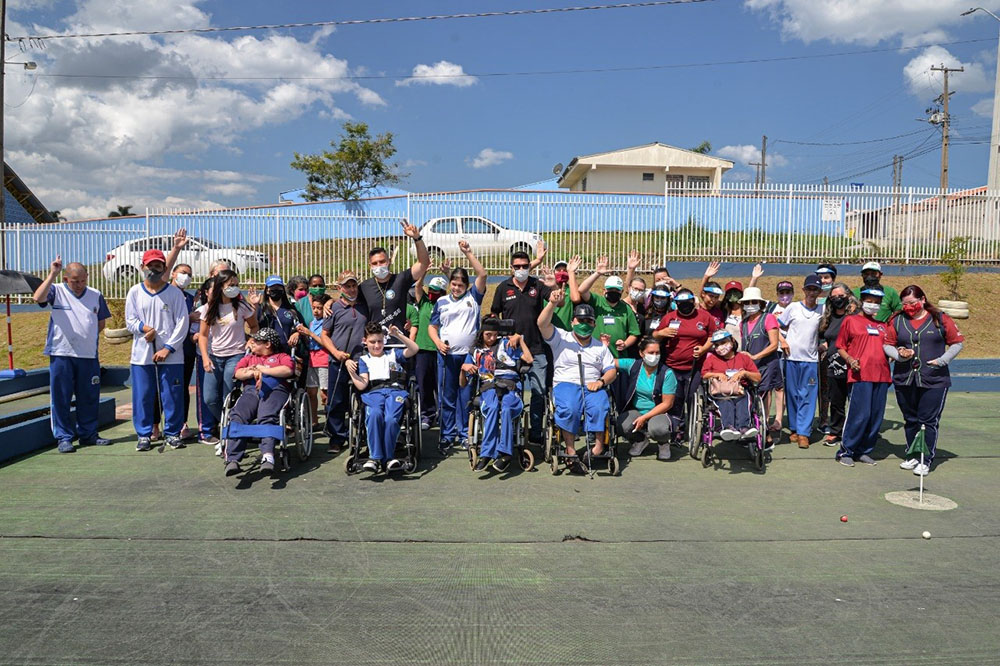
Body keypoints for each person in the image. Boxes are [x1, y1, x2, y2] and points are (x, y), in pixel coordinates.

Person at [33, 256, 112, 452]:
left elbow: (101, 322)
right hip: (61, 353)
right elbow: (37, 298)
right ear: (67, 279)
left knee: (89, 396)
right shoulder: (56, 290)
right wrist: (53, 273)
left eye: (83, 280)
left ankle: (88, 434)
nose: (79, 285)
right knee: (61, 396)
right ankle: (64, 438)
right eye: (75, 281)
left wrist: (86, 336)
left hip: (88, 355)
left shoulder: (95, 294)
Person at [890, 285, 965, 476]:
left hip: (934, 379)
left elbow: (957, 342)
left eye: (913, 303)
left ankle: (926, 458)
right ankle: (912, 454)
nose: (909, 307)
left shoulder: (939, 319)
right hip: (905, 378)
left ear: (922, 300)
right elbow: (887, 343)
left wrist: (943, 360)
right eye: (905, 304)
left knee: (927, 420)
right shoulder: (897, 320)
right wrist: (899, 354)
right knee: (910, 419)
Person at [537, 293, 616, 471]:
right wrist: (551, 303)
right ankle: (571, 451)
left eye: (588, 321)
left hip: (592, 385)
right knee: (570, 408)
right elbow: (542, 324)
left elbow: (611, 370)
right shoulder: (561, 337)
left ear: (594, 324)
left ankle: (597, 448)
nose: (584, 324)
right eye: (580, 320)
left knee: (600, 407)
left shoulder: (600, 347)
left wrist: (601, 382)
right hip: (566, 383)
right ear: (572, 322)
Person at [124, 249, 189, 451]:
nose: (154, 269)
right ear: (143, 267)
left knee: (171, 395)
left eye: (158, 265)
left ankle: (172, 433)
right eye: (150, 266)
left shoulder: (174, 293)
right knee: (143, 396)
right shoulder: (135, 292)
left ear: (164, 268)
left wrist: (168, 348)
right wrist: (145, 328)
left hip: (171, 356)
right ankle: (144, 434)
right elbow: (130, 321)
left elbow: (182, 322)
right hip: (142, 356)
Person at [296, 270, 367, 455]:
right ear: (339, 288)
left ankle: (363, 434)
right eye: (347, 286)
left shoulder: (364, 305)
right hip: (338, 361)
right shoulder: (333, 308)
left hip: (361, 361)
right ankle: (337, 438)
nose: (351, 289)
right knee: (336, 401)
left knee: (364, 399)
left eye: (353, 285)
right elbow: (325, 335)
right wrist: (336, 353)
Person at [428, 241, 488, 452]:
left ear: (466, 285)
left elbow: (482, 274)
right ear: (449, 283)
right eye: (453, 284)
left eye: (461, 285)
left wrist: (468, 253)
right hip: (446, 356)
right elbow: (432, 327)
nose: (456, 288)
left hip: (467, 357)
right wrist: (437, 342)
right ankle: (446, 435)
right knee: (446, 396)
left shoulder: (474, 298)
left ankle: (465, 434)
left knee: (465, 397)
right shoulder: (442, 301)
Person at [491, 250, 552, 444]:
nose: (521, 270)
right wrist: (507, 336)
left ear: (529, 267)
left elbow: (555, 299)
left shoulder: (538, 286)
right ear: (511, 268)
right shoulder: (503, 287)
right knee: (509, 391)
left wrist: (556, 286)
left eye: (524, 266)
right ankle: (510, 431)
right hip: (510, 353)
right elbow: (494, 316)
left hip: (536, 349)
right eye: (517, 267)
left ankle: (535, 434)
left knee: (538, 392)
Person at [345, 323, 420, 474]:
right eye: (373, 342)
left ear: (384, 340)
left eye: (380, 341)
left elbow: (414, 349)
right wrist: (351, 372)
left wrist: (398, 335)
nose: (377, 345)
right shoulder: (364, 360)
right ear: (365, 341)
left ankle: (388, 457)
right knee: (374, 414)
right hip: (374, 392)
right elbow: (362, 385)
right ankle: (375, 457)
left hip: (395, 391)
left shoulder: (393, 354)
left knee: (391, 418)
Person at [460, 318, 533, 472]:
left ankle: (505, 454)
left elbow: (529, 359)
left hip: (510, 386)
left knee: (506, 408)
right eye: (488, 335)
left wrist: (520, 339)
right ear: (481, 334)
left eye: (494, 335)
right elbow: (462, 384)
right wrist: (463, 369)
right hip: (489, 387)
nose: (492, 338)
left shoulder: (507, 344)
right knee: (493, 407)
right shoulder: (475, 352)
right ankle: (486, 454)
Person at [197, 270, 259, 447]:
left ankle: (229, 434)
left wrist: (251, 341)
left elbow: (254, 326)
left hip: (236, 356)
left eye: (236, 285)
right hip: (215, 358)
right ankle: (229, 425)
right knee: (210, 398)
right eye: (230, 285)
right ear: (220, 286)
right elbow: (202, 335)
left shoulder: (242, 307)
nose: (234, 288)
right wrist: (205, 358)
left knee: (228, 396)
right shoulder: (209, 308)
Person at [222, 327, 295, 476]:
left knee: (266, 415)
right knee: (238, 414)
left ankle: (268, 456)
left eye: (256, 341)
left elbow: (288, 370)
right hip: (251, 391)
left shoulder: (282, 356)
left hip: (276, 390)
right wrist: (252, 371)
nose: (252, 343)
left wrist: (263, 370)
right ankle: (233, 459)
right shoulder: (249, 358)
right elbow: (237, 372)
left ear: (267, 344)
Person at [835, 288, 895, 467]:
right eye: (870, 301)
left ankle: (864, 451)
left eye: (877, 302)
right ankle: (846, 451)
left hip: (882, 376)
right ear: (862, 301)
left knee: (875, 416)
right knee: (859, 414)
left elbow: (889, 348)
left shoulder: (883, 326)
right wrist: (850, 360)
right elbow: (840, 347)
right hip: (860, 375)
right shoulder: (851, 321)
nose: (873, 305)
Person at [652, 289, 717, 441]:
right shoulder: (670, 317)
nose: (684, 306)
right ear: (676, 304)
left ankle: (697, 429)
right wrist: (663, 333)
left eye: (687, 303)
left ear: (693, 302)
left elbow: (712, 336)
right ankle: (678, 429)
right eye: (681, 304)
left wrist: (703, 349)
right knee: (676, 399)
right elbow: (655, 335)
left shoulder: (705, 317)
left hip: (695, 367)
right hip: (672, 367)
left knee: (692, 397)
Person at [358, 219, 430, 331]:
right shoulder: (364, 287)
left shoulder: (401, 279)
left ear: (390, 261)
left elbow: (423, 263)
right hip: (375, 344)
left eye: (382, 262)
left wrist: (417, 238)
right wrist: (329, 302)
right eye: (374, 263)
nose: (379, 266)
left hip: (399, 343)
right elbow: (347, 299)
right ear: (370, 266)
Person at [612, 337, 676, 460]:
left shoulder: (667, 373)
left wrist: (645, 417)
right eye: (651, 353)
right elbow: (610, 362)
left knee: (659, 429)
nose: (655, 356)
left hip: (659, 411)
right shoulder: (633, 365)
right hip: (637, 410)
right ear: (642, 353)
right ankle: (640, 440)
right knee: (622, 425)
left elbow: (667, 404)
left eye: (657, 353)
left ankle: (663, 443)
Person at [778, 274, 823, 448]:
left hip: (810, 361)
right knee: (793, 395)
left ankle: (804, 432)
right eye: (809, 288)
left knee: (808, 396)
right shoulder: (793, 307)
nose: (812, 292)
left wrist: (824, 344)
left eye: (816, 289)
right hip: (791, 359)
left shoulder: (822, 310)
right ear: (804, 290)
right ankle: (795, 429)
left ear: (819, 292)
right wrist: (782, 341)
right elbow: (777, 326)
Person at [572, 255, 640, 359]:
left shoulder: (626, 308)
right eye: (610, 289)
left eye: (617, 290)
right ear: (604, 291)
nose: (613, 292)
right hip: (595, 355)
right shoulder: (596, 301)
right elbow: (582, 290)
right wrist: (597, 273)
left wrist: (625, 344)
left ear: (621, 292)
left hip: (618, 357)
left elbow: (634, 333)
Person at [817, 283, 859, 447]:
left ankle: (855, 432)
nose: (837, 300)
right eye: (833, 297)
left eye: (841, 296)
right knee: (836, 401)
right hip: (834, 365)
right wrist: (823, 346)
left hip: (854, 365)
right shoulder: (828, 318)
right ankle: (836, 431)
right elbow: (823, 338)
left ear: (848, 296)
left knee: (856, 401)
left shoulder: (856, 316)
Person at [738, 286, 781, 447]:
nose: (750, 305)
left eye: (754, 302)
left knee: (761, 398)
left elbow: (774, 344)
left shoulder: (768, 318)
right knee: (749, 398)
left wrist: (755, 356)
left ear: (760, 303)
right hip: (750, 367)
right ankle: (752, 430)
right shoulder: (743, 323)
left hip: (767, 364)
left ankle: (765, 435)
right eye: (747, 302)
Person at [701, 330, 762, 440]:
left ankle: (744, 428)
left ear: (732, 341)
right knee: (726, 401)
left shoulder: (743, 358)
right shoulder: (711, 359)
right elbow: (704, 375)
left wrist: (745, 373)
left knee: (743, 400)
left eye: (724, 342)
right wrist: (717, 374)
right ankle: (728, 428)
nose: (720, 347)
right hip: (720, 392)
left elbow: (757, 377)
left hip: (740, 390)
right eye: (717, 345)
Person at [411, 274, 446, 430]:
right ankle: (427, 414)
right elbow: (417, 286)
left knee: (441, 385)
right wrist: (424, 270)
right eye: (431, 289)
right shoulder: (424, 302)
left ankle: (443, 415)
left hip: (441, 350)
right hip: (423, 349)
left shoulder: (447, 304)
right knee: (424, 383)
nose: (432, 292)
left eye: (437, 291)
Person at [170, 263, 199, 441]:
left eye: (189, 274)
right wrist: (188, 318)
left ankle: (182, 424)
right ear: (173, 273)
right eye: (182, 273)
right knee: (163, 389)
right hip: (166, 349)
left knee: (182, 388)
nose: (186, 277)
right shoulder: (165, 294)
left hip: (186, 350)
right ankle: (156, 425)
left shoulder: (190, 298)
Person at [303, 293, 332, 432]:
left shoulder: (328, 321)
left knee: (325, 393)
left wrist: (310, 334)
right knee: (311, 392)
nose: (316, 311)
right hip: (312, 360)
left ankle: (329, 421)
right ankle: (314, 420)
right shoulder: (312, 322)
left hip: (323, 359)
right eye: (314, 308)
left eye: (319, 308)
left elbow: (326, 343)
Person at [256, 275, 303, 349]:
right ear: (267, 290)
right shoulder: (260, 309)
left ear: (283, 290)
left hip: (286, 353)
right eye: (273, 288)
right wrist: (254, 305)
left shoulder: (291, 309)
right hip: (265, 352)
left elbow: (301, 326)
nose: (276, 290)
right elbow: (252, 326)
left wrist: (297, 333)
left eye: (278, 287)